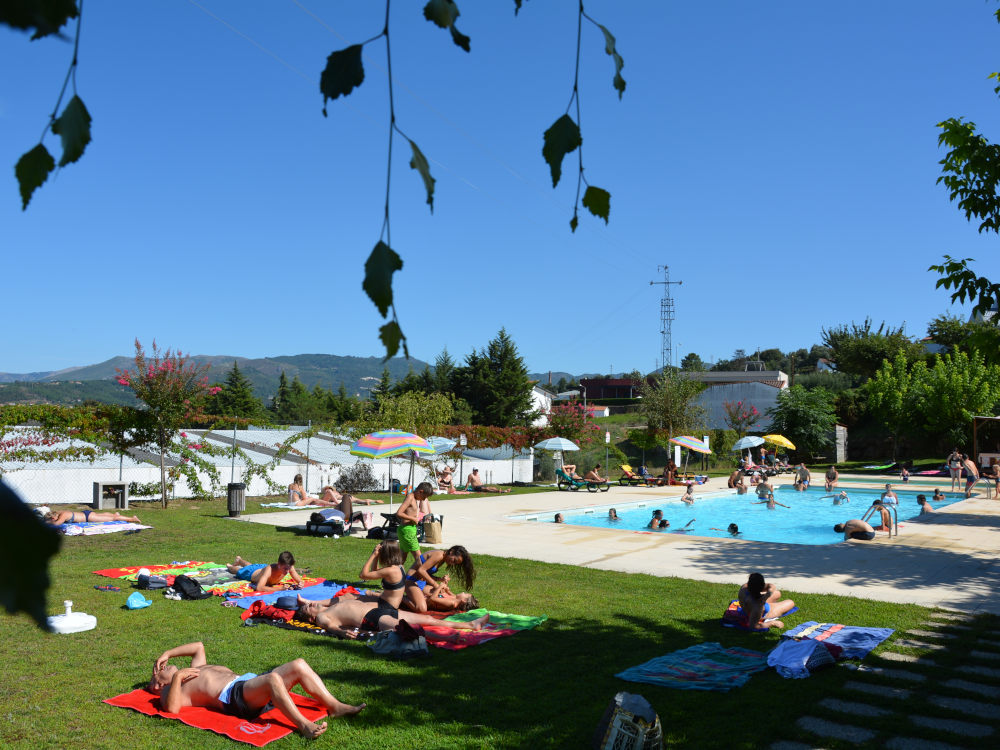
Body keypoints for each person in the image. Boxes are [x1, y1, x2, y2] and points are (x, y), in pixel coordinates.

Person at [147, 642, 364, 738]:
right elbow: (171, 709)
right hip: (234, 697)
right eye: (158, 670)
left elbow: (198, 646)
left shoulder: (194, 669)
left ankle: (334, 707)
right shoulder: (173, 689)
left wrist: (167, 652)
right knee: (272, 679)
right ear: (158, 685)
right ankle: (304, 726)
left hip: (247, 684)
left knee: (298, 664)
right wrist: (176, 677)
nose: (163, 666)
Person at [297, 592, 489, 637]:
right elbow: (331, 627)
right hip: (371, 619)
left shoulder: (328, 605)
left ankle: (472, 625)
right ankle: (448, 638)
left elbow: (348, 597)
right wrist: (342, 633)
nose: (311, 604)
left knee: (429, 619)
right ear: (311, 617)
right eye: (308, 608)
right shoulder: (323, 617)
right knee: (409, 630)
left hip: (381, 610)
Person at [403, 545, 476, 613]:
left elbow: (426, 574)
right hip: (412, 580)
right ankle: (400, 597)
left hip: (421, 582)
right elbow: (421, 570)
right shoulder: (439, 555)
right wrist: (436, 585)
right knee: (422, 608)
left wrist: (440, 579)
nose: (452, 564)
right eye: (454, 560)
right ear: (451, 552)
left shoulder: (443, 559)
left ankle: (413, 597)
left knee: (440, 594)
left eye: (455, 563)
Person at [395, 482, 433, 568]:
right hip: (407, 530)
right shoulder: (410, 497)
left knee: (402, 558)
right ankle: (422, 579)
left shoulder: (414, 498)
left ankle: (393, 577)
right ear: (420, 491)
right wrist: (413, 519)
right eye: (424, 496)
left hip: (409, 529)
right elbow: (399, 513)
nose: (424, 499)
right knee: (419, 559)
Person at [358, 541, 406, 609]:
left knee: (349, 602)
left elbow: (363, 575)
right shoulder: (399, 567)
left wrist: (373, 555)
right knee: (349, 596)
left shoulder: (390, 571)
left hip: (386, 606)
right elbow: (374, 571)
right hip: (387, 602)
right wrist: (376, 557)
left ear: (385, 554)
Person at [226, 551, 304, 593]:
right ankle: (230, 566)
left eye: (289, 568)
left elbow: (298, 578)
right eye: (285, 569)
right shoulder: (269, 570)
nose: (287, 571)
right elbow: (259, 588)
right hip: (252, 574)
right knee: (238, 571)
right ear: (279, 564)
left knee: (251, 565)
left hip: (261, 568)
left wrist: (300, 583)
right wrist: (280, 589)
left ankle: (239, 560)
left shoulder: (288, 566)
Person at [402, 579, 479, 614]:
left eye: (465, 594)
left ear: (464, 600)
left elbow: (433, 599)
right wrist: (446, 586)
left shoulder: (452, 603)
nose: (462, 592)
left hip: (422, 600)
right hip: (422, 594)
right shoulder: (455, 598)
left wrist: (439, 587)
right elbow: (448, 593)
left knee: (421, 609)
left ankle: (400, 596)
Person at [44, 509, 141, 525]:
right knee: (104, 515)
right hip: (86, 514)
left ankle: (132, 519)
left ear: (53, 518)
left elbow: (57, 524)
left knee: (112, 519)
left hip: (88, 517)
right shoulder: (59, 512)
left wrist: (46, 524)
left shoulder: (63, 515)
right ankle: (116, 514)